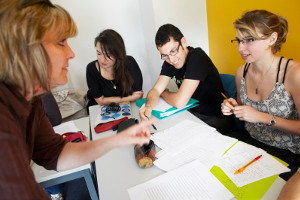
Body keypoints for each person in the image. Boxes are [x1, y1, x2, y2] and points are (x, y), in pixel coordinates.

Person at [0, 0, 155, 199]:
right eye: (60, 42)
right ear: (25, 50)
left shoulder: (33, 99)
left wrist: (117, 140)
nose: (72, 54)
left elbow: (56, 153)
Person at [221, 9, 300, 180]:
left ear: (272, 39)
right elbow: (244, 111)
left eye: (249, 40)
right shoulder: (241, 71)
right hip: (251, 143)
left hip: (287, 154)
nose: (241, 48)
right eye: (238, 40)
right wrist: (233, 107)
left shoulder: (294, 74)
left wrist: (262, 117)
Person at [139, 23, 232, 134]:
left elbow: (179, 102)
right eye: (165, 55)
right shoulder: (169, 62)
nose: (171, 59)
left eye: (173, 51)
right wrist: (148, 106)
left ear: (183, 42)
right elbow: (155, 90)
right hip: (193, 114)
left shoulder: (197, 57)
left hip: (216, 119)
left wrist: (163, 93)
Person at [86, 29, 143, 108]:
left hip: (127, 108)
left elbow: (138, 95)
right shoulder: (91, 69)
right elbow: (100, 101)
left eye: (108, 55)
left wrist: (109, 99)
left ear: (118, 53)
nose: (102, 60)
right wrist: (129, 98)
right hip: (99, 110)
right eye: (99, 53)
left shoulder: (130, 62)